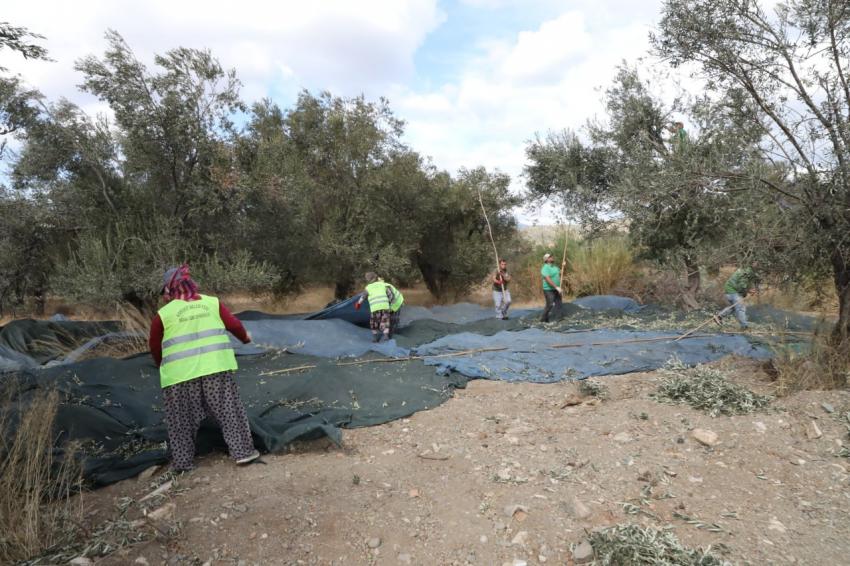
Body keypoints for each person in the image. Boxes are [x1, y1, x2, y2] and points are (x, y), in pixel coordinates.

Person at [148, 264, 259, 472]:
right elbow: (234, 325)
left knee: (181, 420)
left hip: (179, 377)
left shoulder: (163, 315)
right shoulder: (212, 303)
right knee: (229, 412)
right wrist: (245, 339)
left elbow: (154, 345)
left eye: (164, 292)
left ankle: (183, 463)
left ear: (169, 291)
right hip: (215, 369)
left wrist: (161, 364)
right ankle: (243, 453)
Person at [355, 272, 394, 342]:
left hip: (375, 308)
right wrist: (390, 303)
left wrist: (358, 304)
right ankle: (385, 336)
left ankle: (375, 337)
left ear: (368, 280)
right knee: (385, 321)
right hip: (385, 306)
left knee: (373, 323)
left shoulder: (368, 288)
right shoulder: (383, 284)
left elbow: (363, 297)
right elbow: (390, 295)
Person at [540, 253, 562, 322]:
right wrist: (556, 287)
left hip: (556, 289)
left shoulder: (555, 267)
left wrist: (563, 266)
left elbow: (560, 272)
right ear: (546, 260)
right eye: (550, 257)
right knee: (550, 304)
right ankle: (543, 319)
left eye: (552, 256)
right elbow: (547, 279)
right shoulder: (545, 268)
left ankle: (558, 319)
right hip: (548, 290)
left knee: (559, 304)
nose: (552, 257)